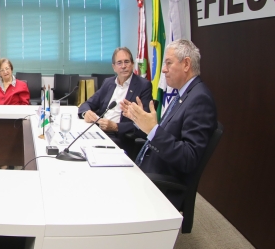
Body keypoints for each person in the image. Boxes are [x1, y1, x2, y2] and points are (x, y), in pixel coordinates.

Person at [121, 39, 217, 208]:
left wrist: (153, 129)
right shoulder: (183, 94)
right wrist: (139, 119)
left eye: (168, 63)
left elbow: (189, 158)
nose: (163, 69)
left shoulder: (199, 98)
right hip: (149, 168)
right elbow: (165, 134)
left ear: (186, 64)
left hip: (160, 184)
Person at [78, 47, 153, 153]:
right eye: (119, 63)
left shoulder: (143, 85)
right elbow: (87, 104)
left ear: (132, 64)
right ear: (114, 67)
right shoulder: (108, 82)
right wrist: (86, 113)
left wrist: (116, 127)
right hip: (99, 130)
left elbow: (145, 123)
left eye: (126, 62)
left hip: (119, 137)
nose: (123, 66)